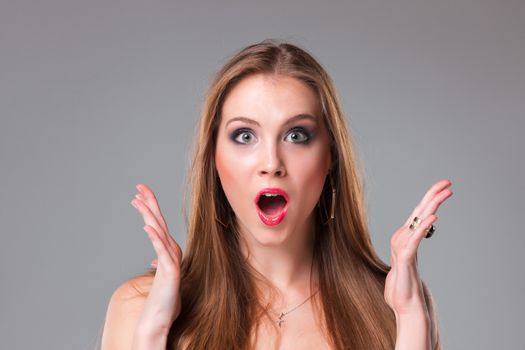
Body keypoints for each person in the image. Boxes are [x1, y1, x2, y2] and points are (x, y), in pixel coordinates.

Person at [100, 39, 453, 350]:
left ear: (330, 156)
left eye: (296, 135)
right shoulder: (140, 307)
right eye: (244, 136)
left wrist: (409, 317)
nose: (271, 163)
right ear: (214, 159)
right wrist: (154, 331)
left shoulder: (393, 307)